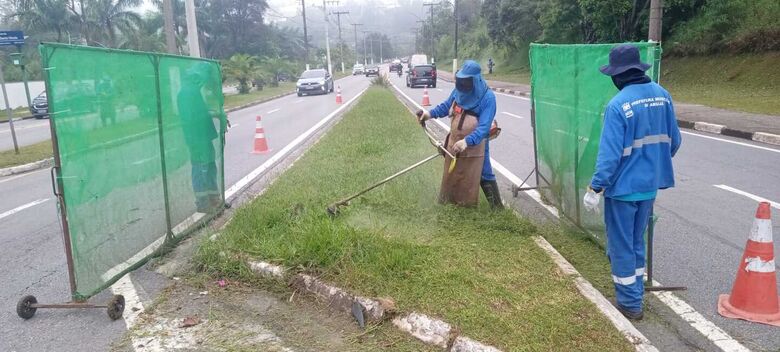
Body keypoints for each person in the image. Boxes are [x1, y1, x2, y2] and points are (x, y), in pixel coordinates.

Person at [583, 44, 682, 320]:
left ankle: (630, 304)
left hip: (623, 190)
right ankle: (636, 289)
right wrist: (651, 163)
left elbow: (609, 156)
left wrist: (595, 188)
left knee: (622, 245)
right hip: (649, 188)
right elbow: (674, 142)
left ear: (618, 76)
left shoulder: (618, 105)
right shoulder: (663, 96)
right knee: (637, 241)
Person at [417, 60, 502, 208]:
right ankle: (452, 201)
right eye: (461, 80)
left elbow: (483, 128)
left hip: (477, 141)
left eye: (467, 81)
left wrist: (467, 141)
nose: (463, 85)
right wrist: (429, 114)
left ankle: (497, 208)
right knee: (454, 168)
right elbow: (446, 106)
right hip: (455, 137)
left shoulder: (488, 98)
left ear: (475, 80)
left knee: (483, 170)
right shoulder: (458, 91)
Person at [178, 62, 225, 213]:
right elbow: (193, 117)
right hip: (196, 138)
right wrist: (214, 114)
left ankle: (214, 198)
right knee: (200, 168)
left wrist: (214, 113)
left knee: (210, 166)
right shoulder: (187, 93)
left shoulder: (194, 91)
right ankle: (202, 203)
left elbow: (202, 111)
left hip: (204, 135)